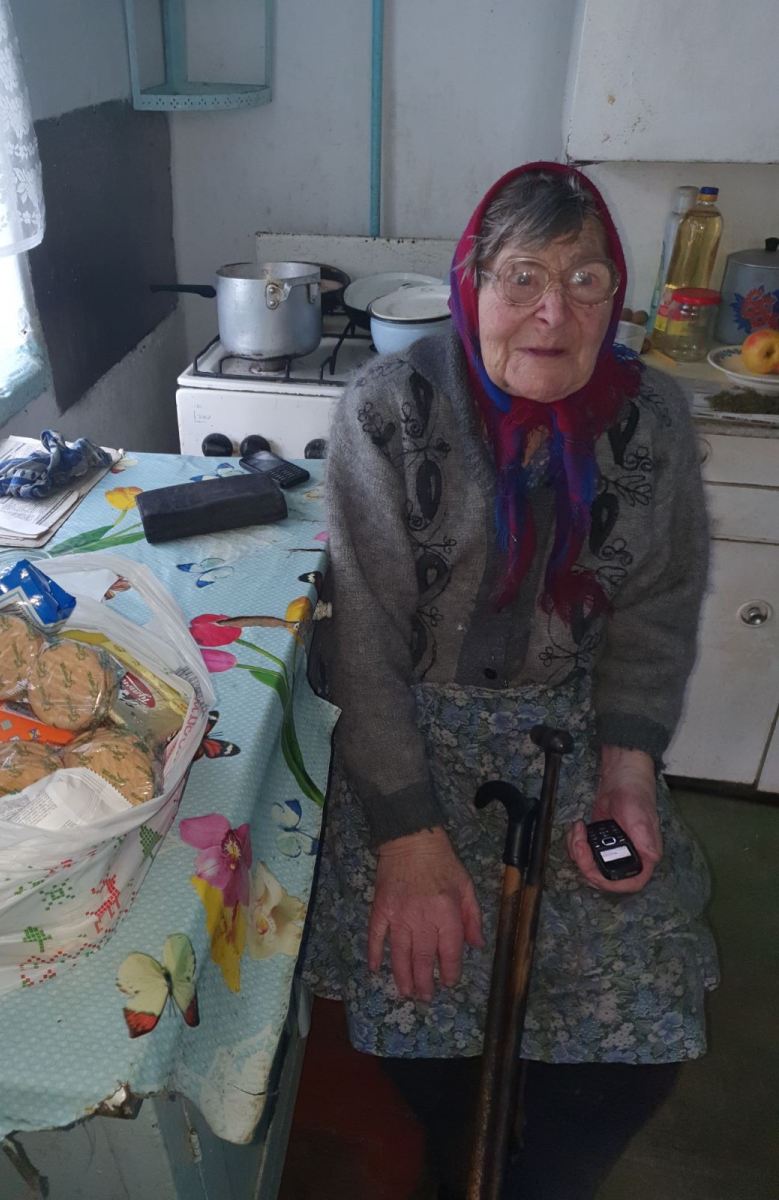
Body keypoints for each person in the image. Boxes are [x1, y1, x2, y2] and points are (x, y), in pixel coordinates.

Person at [303, 162, 719, 1199]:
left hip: (572, 740)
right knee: (426, 999)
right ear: (471, 285)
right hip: (408, 749)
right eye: (522, 276)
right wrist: (408, 840)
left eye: (585, 280)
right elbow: (362, 647)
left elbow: (657, 611)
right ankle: (461, 1162)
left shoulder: (651, 420)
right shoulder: (389, 412)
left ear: (616, 297)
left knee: (639, 1014)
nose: (552, 311)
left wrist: (627, 771)